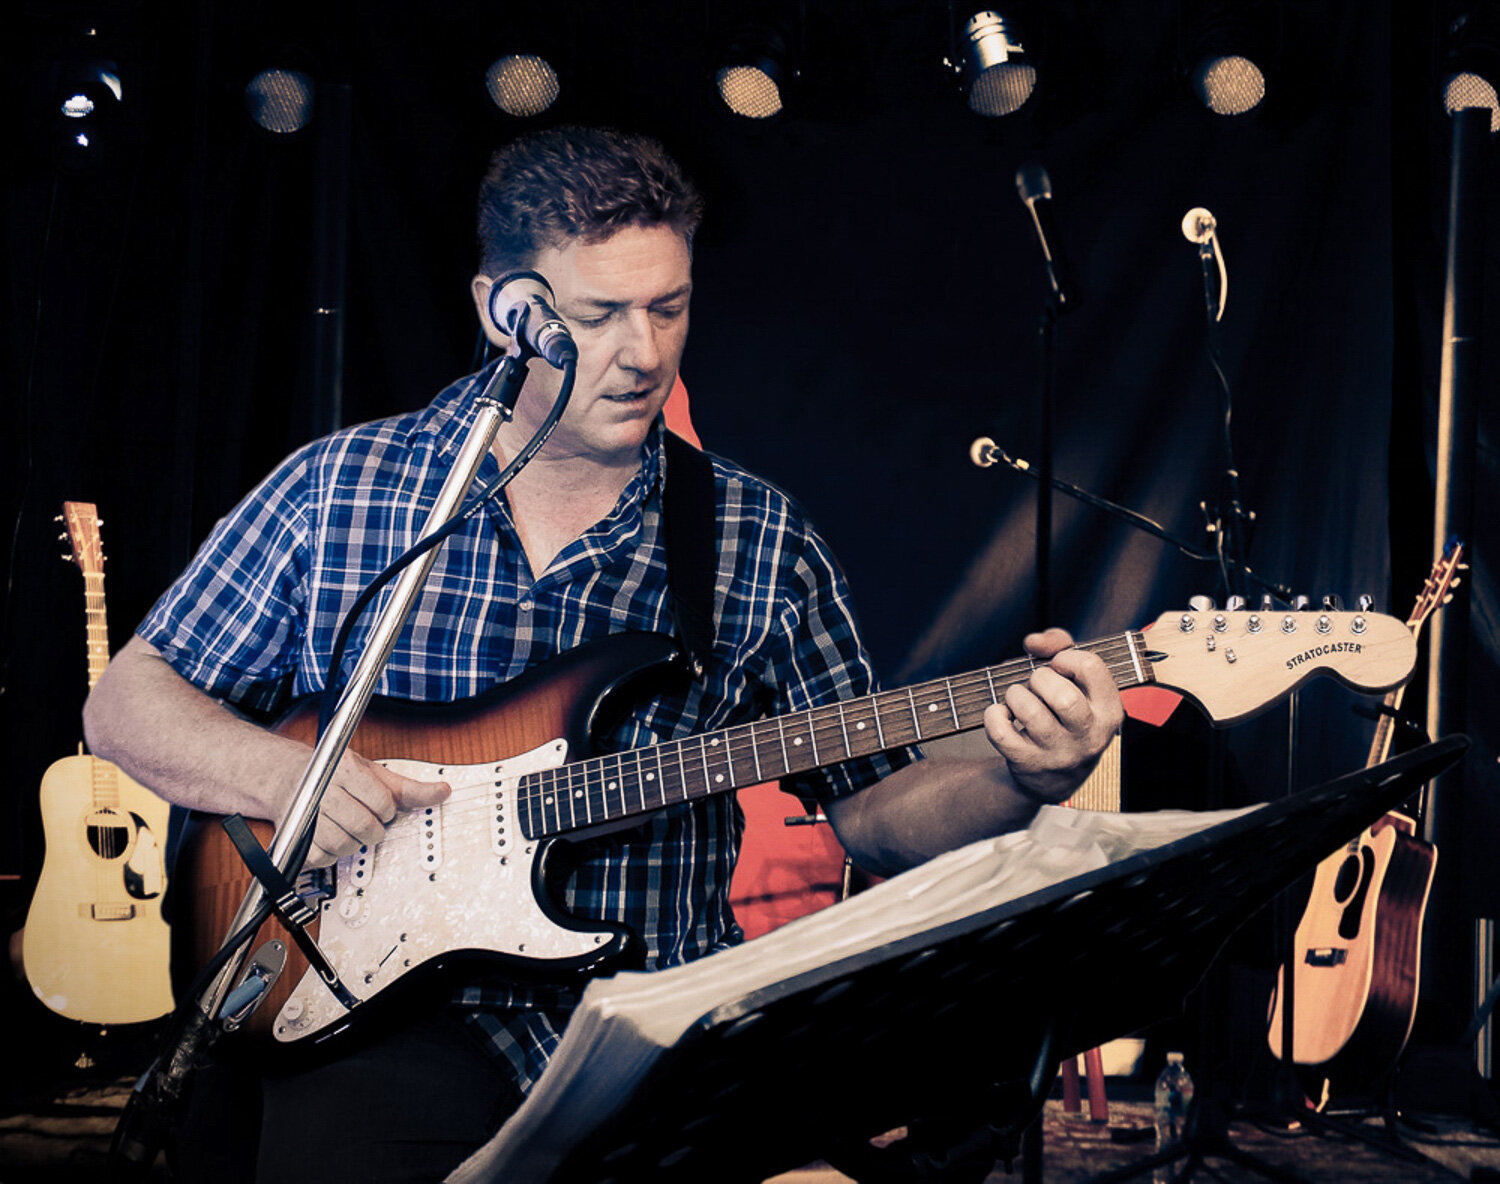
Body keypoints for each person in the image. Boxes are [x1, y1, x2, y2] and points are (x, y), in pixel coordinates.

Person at [83, 125, 1124, 1182]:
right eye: (597, 316)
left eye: (667, 306)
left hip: (656, 1018)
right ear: (505, 311)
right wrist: (279, 774)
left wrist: (1020, 778)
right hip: (372, 1005)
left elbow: (873, 813)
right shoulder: (342, 488)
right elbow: (125, 703)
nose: (643, 352)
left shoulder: (753, 537)